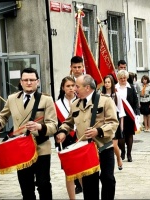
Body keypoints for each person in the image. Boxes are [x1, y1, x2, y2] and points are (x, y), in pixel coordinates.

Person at [0, 67, 58, 200]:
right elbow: (3, 116)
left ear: (37, 82)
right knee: (26, 186)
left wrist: (39, 126)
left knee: (43, 183)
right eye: (25, 80)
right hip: (21, 149)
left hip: (41, 148)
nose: (29, 82)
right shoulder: (12, 99)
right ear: (21, 82)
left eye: (32, 80)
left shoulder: (46, 99)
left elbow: (54, 125)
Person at [56, 74, 119, 200]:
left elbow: (113, 123)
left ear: (88, 88)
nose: (74, 89)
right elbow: (68, 122)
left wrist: (98, 131)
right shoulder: (75, 104)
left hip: (104, 147)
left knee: (108, 179)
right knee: (89, 184)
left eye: (77, 86)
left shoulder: (105, 101)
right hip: (85, 150)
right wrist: (62, 131)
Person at [54, 76, 78, 199]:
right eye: (68, 86)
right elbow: (54, 124)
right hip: (64, 141)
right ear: (63, 88)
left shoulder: (82, 101)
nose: (71, 88)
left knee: (83, 171)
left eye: (73, 85)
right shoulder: (56, 104)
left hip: (80, 139)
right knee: (69, 173)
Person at [101, 75, 125, 170]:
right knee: (108, 145)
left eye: (108, 82)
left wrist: (121, 126)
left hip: (114, 121)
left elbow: (121, 111)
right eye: (105, 82)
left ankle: (119, 159)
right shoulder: (101, 95)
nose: (107, 84)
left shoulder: (116, 95)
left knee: (114, 145)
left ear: (112, 83)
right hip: (104, 122)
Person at [116, 70, 140, 162]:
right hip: (119, 115)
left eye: (124, 78)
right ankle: (123, 151)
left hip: (129, 114)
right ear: (118, 79)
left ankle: (129, 154)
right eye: (121, 78)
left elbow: (135, 102)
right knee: (120, 135)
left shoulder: (131, 88)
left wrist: (137, 113)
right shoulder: (115, 88)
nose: (123, 80)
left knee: (129, 134)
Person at [69, 55, 84, 194]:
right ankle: (77, 183)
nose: (77, 69)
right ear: (71, 68)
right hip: (71, 121)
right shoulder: (68, 82)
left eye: (79, 67)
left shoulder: (89, 80)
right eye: (75, 67)